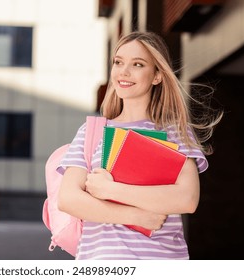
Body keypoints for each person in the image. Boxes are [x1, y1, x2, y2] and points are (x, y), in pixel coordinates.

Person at [57, 31, 222, 260]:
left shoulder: (175, 132)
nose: (124, 71)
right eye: (118, 62)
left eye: (138, 64)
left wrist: (110, 189)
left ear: (157, 75)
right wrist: (135, 216)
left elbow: (187, 199)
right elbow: (68, 199)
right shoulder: (92, 132)